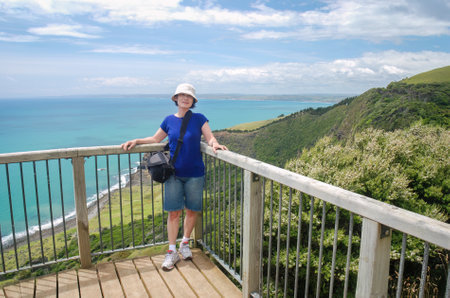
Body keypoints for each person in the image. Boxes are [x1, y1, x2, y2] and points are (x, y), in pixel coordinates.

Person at [121, 83, 228, 271]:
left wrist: (215, 144)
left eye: (189, 96)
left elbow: (209, 137)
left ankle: (184, 243)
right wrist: (136, 141)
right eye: (182, 95)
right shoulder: (168, 120)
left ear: (193, 101)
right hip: (174, 174)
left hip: (195, 173)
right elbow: (155, 140)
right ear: (176, 99)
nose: (185, 98)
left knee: (192, 210)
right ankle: (171, 252)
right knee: (173, 212)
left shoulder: (199, 119)